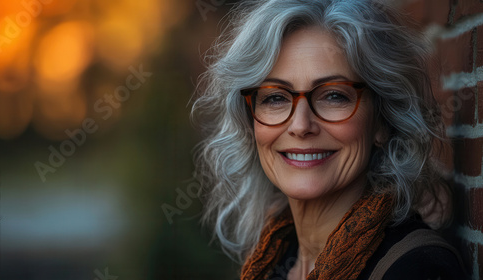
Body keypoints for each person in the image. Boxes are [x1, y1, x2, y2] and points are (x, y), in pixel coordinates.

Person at [191, 0, 466, 279]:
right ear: (250, 123)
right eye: (275, 97)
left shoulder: (415, 269)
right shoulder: (273, 259)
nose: (300, 125)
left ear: (382, 121)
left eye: (334, 95)